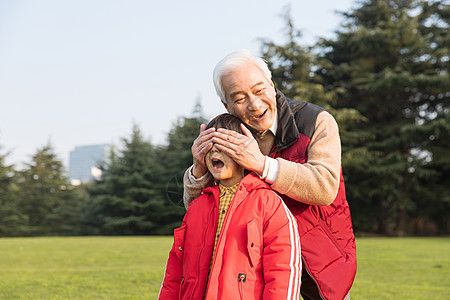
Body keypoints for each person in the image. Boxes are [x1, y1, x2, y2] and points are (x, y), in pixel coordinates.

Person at [183, 50, 356, 300]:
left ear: (272, 86)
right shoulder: (227, 133)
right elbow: (202, 212)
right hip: (255, 273)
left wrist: (262, 164)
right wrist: (198, 171)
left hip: (319, 268)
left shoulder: (316, 121)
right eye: (240, 98)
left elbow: (325, 188)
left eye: (259, 89)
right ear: (226, 105)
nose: (254, 104)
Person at [159, 113, 302, 300]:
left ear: (245, 149)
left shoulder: (269, 204)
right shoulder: (197, 207)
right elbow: (174, 273)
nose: (215, 151)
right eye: (210, 145)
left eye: (225, 144)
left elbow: (283, 273)